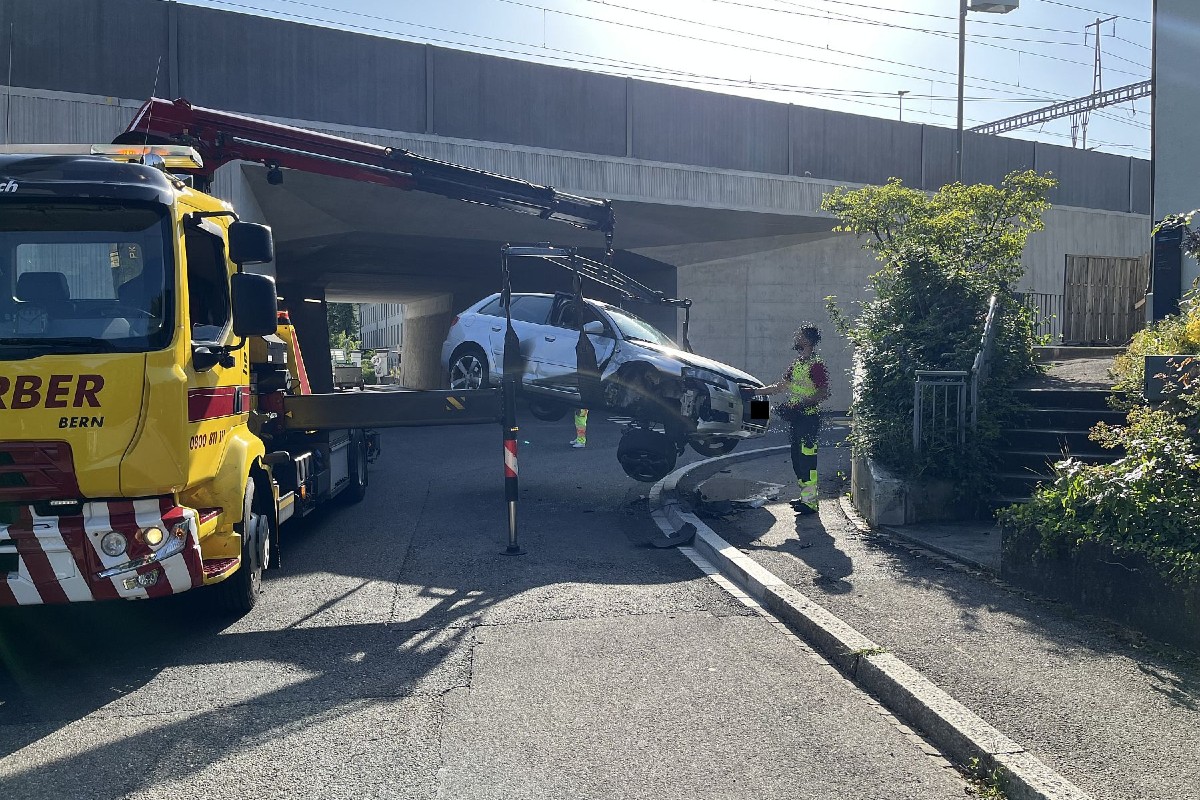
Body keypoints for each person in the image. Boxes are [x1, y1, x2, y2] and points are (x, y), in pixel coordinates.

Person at [762, 323, 830, 515]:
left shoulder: (816, 365)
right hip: (797, 419)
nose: (796, 338)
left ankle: (810, 503)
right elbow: (781, 386)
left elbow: (823, 392)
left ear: (807, 340)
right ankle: (805, 498)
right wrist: (756, 391)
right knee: (797, 458)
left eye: (799, 336)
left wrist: (803, 404)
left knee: (807, 461)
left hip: (808, 419)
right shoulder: (798, 363)